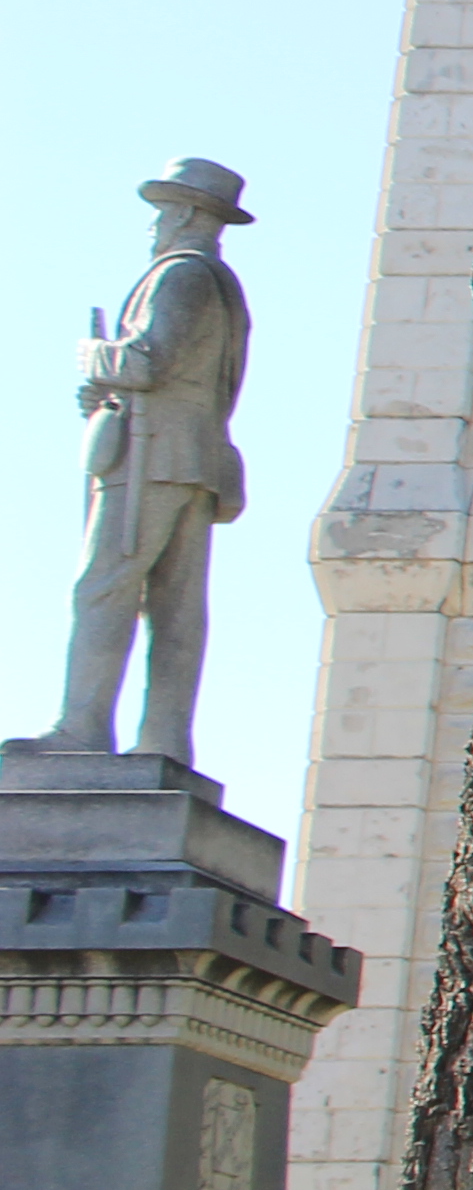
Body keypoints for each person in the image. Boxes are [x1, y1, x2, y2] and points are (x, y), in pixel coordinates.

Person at [29, 160, 252, 774]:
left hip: (154, 455)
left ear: (183, 214)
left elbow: (148, 362)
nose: (154, 226)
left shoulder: (180, 276)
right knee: (174, 606)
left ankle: (81, 729)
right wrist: (108, 394)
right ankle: (163, 740)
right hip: (188, 456)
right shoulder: (218, 283)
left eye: (162, 212)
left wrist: (96, 357)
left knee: (104, 588)